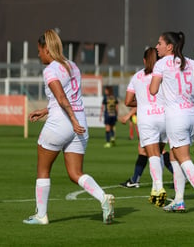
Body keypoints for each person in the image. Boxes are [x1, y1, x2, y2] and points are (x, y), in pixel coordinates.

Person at [24, 29, 114, 225]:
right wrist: (45, 110)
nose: (38, 54)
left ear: (46, 49)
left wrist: (70, 120)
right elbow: (66, 98)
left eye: (39, 50)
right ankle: (103, 198)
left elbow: (63, 99)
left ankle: (41, 215)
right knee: (75, 173)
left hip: (64, 122)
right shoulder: (72, 66)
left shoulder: (50, 69)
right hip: (80, 123)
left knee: (43, 170)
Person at [150, 31, 194, 215]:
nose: (157, 46)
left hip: (176, 116)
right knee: (174, 157)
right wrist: (191, 90)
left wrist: (155, 82)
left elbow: (153, 90)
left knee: (183, 158)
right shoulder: (190, 62)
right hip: (192, 115)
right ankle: (179, 201)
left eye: (160, 43)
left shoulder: (161, 64)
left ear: (169, 46)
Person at [124, 47, 169, 206]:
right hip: (164, 117)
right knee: (161, 152)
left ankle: (159, 188)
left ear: (144, 60)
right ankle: (154, 189)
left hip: (147, 119)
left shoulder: (136, 77)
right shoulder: (164, 74)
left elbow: (128, 101)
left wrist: (142, 102)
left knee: (153, 156)